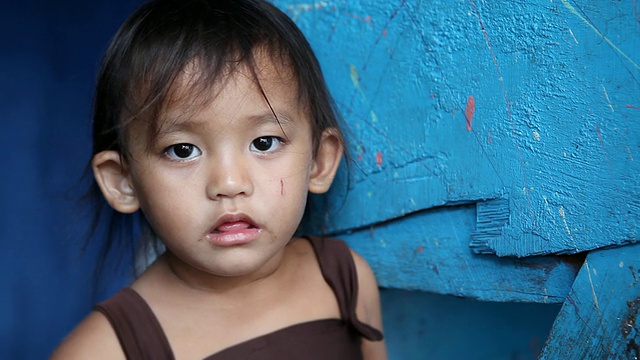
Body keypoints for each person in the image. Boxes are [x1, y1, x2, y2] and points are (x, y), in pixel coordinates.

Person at [51, 0, 387, 359]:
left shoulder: (344, 280)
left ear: (319, 161)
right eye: (182, 150)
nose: (228, 183)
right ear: (123, 181)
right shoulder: (103, 351)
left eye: (264, 143)